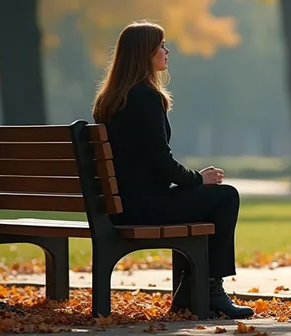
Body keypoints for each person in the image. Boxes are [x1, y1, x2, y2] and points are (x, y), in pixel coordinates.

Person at [92, 20, 254, 319]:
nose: (166, 51)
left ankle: (189, 289)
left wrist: (193, 183)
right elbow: (162, 163)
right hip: (143, 207)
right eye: (161, 46)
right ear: (145, 53)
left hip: (118, 206)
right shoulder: (145, 97)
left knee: (202, 196)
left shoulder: (110, 100)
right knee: (225, 196)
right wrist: (198, 178)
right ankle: (210, 290)